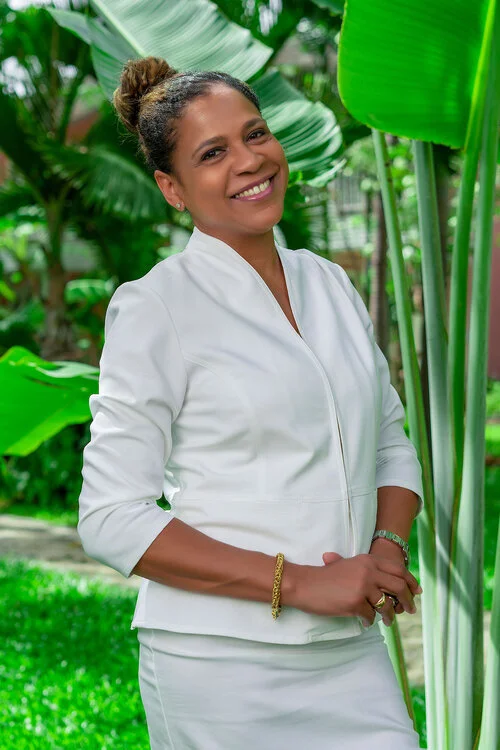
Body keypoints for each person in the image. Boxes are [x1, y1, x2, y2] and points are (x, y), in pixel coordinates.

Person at [78, 56, 424, 750]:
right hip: (221, 666)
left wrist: (387, 546)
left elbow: (388, 438)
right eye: (212, 153)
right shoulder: (156, 307)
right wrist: (299, 584)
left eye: (255, 133)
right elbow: (110, 518)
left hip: (352, 649)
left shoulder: (328, 283)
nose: (248, 160)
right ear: (172, 189)